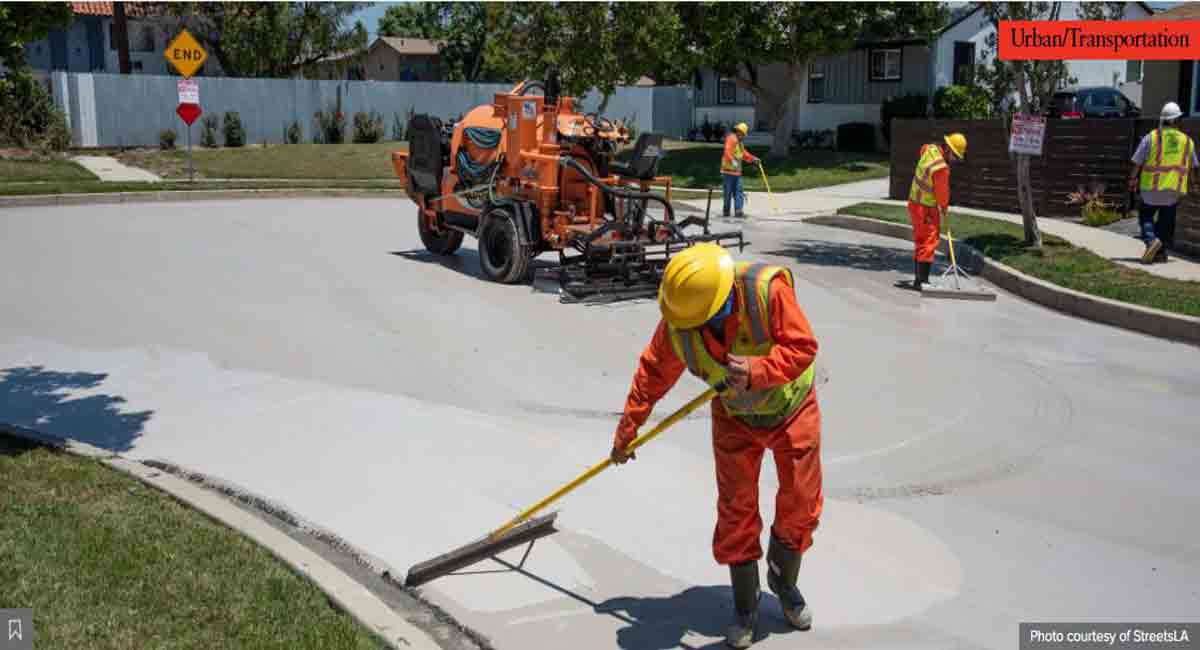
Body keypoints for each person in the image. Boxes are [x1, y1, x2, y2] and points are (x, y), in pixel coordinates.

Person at [610, 243, 821, 648]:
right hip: (735, 420)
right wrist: (628, 429)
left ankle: (783, 580)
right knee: (736, 510)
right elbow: (653, 372)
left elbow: (803, 347)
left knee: (801, 500)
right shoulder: (682, 320)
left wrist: (759, 369)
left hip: (791, 409)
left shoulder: (766, 292)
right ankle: (746, 605)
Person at [1128, 101, 1197, 264]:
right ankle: (1160, 253)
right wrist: (1193, 183)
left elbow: (1137, 162)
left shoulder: (1151, 137)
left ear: (1163, 119)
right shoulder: (1187, 141)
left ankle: (1151, 241)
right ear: (1177, 120)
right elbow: (1194, 166)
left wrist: (1132, 179)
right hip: (1173, 191)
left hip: (1151, 188)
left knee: (1145, 217)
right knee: (1165, 224)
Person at [905, 132, 967, 290]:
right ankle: (923, 281)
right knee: (929, 241)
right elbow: (942, 194)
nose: (955, 160)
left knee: (920, 241)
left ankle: (919, 280)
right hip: (926, 208)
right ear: (948, 150)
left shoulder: (930, 149)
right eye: (955, 156)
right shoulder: (941, 169)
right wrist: (944, 207)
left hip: (914, 203)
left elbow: (922, 151)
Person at [722, 123, 760, 219]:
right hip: (728, 172)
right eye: (743, 134)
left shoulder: (740, 143)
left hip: (737, 173)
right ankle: (726, 211)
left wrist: (753, 159)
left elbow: (744, 155)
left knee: (739, 191)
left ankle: (738, 211)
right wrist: (732, 161)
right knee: (728, 192)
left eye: (743, 135)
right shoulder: (731, 139)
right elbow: (727, 151)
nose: (743, 136)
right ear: (739, 132)